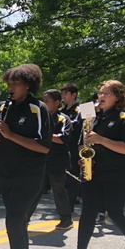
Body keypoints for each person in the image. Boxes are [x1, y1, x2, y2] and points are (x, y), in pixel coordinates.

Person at [0, 64, 51, 249]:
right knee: (19, 222)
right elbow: (3, 139)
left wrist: (11, 135)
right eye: (9, 83)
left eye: (15, 84)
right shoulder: (5, 107)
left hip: (29, 174)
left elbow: (44, 147)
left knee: (13, 221)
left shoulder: (38, 108)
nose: (10, 88)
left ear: (28, 84)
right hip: (5, 172)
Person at [64, 80, 125, 249]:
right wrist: (85, 154)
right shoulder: (95, 119)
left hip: (118, 174)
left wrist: (101, 139)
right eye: (100, 93)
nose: (101, 97)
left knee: (114, 212)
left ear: (118, 96)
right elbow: (89, 144)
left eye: (106, 93)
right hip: (95, 172)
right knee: (88, 212)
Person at [27, 89, 73, 229]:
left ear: (57, 103)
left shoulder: (63, 118)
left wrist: (46, 136)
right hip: (40, 158)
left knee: (58, 189)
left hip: (57, 159)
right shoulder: (39, 117)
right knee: (35, 188)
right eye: (43, 100)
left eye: (47, 101)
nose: (44, 103)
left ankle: (66, 219)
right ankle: (25, 217)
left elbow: (63, 138)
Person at [61, 83, 82, 211]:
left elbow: (79, 125)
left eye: (65, 93)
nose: (63, 96)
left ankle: (71, 203)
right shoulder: (62, 111)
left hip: (75, 147)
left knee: (74, 175)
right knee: (63, 177)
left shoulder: (80, 109)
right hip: (63, 148)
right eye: (62, 94)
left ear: (73, 95)